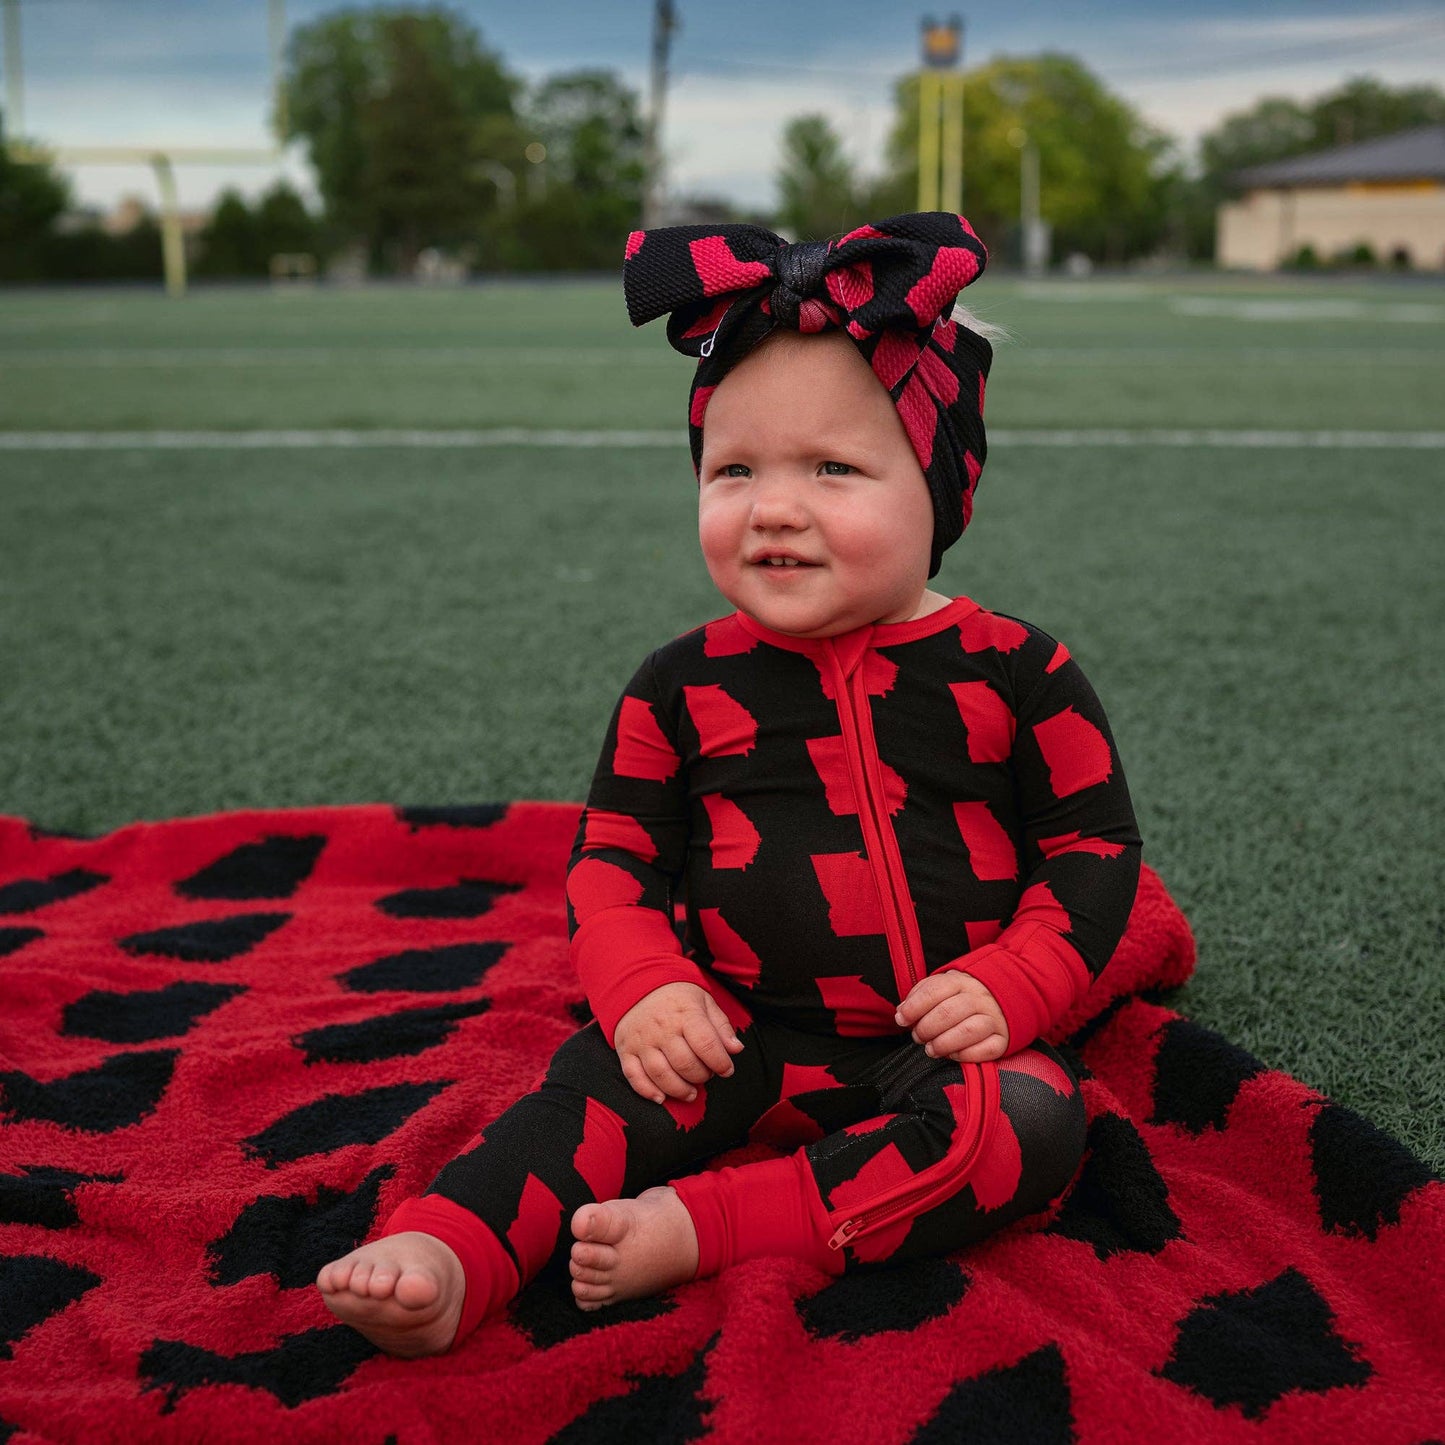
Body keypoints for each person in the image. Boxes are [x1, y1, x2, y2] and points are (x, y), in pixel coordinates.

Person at [316, 213, 1142, 1357]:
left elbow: (1093, 848)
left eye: (834, 468)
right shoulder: (679, 684)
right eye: (734, 468)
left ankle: (716, 1226)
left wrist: (1018, 976)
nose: (773, 506)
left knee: (1034, 1122)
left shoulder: (1017, 669)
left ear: (942, 488)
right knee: (580, 1102)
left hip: (930, 1047)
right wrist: (643, 983)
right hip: (724, 1032)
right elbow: (612, 862)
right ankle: (449, 1247)